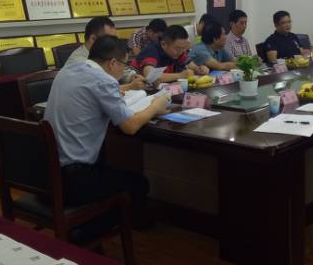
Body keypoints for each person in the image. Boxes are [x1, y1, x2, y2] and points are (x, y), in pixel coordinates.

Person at [45, 35, 170, 221]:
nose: (124, 70)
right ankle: (98, 228)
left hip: (47, 172)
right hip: (74, 180)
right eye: (124, 65)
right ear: (113, 62)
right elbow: (130, 127)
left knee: (112, 165)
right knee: (139, 183)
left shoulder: (66, 71)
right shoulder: (103, 80)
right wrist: (156, 106)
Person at [65, 16, 145, 91]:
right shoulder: (78, 62)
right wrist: (130, 86)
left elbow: (119, 68)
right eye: (109, 39)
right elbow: (98, 90)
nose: (114, 43)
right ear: (93, 39)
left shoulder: (106, 53)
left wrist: (132, 77)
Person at [131, 25, 209, 85]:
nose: (181, 52)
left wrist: (200, 69)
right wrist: (180, 75)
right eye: (177, 48)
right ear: (164, 44)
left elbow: (193, 67)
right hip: (136, 88)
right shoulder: (152, 52)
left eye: (183, 48)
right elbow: (151, 77)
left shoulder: (179, 53)